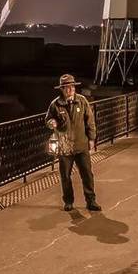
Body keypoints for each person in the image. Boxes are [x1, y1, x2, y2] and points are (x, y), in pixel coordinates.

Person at [45, 74, 102, 212]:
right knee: (65, 176)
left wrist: (91, 139)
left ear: (74, 87)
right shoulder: (55, 104)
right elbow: (48, 119)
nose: (69, 89)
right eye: (66, 87)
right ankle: (68, 201)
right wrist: (51, 122)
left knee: (87, 174)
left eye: (71, 86)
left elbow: (90, 121)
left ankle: (91, 201)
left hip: (81, 145)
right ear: (62, 89)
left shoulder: (82, 101)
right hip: (64, 147)